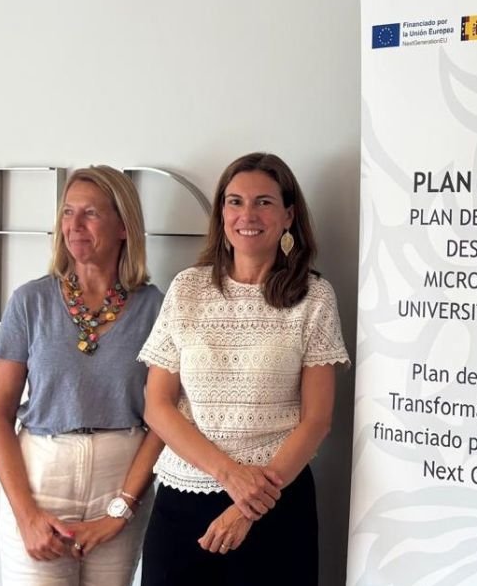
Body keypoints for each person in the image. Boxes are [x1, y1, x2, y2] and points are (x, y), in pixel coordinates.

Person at [139, 152, 350, 585]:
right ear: (222, 213)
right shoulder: (187, 288)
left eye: (264, 202)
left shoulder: (314, 297)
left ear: (288, 215)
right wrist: (229, 475)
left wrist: (247, 506)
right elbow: (157, 406)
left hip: (276, 505)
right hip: (183, 502)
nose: (247, 215)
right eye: (235, 201)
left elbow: (317, 420)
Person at [0, 166, 166, 585]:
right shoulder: (31, 301)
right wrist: (26, 516)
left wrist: (122, 508)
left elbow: (164, 418)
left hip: (121, 480)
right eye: (68, 212)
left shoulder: (155, 307)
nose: (74, 225)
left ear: (124, 227)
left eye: (91, 213)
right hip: (41, 480)